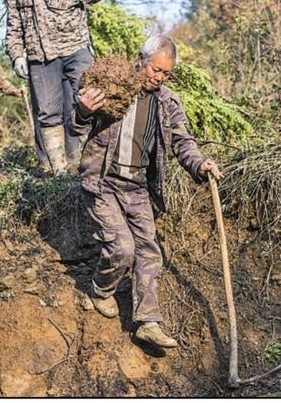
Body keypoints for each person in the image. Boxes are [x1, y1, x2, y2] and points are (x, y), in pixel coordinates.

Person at [69, 36, 223, 348]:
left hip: (137, 186)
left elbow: (183, 141)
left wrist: (200, 165)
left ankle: (149, 321)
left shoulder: (168, 102)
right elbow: (76, 127)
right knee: (122, 248)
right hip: (102, 181)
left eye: (166, 73)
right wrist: (83, 110)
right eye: (156, 69)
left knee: (149, 251)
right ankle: (100, 289)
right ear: (141, 58)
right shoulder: (113, 84)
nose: (159, 77)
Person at [4, 0, 115, 175]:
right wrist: (16, 55)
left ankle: (89, 164)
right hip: (40, 59)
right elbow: (13, 27)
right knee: (48, 114)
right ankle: (58, 172)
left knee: (88, 101)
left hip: (75, 50)